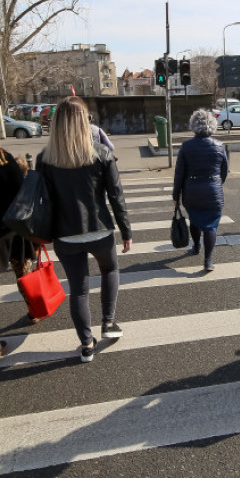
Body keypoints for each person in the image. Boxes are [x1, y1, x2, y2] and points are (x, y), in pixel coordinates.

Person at [37, 96, 132, 363]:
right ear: (84, 122)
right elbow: (116, 196)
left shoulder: (45, 159)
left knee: (78, 289)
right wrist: (126, 231)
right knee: (110, 270)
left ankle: (86, 344)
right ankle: (109, 324)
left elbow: (42, 202)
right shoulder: (101, 153)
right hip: (100, 230)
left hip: (65, 235)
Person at [173, 109, 228, 272]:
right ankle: (208, 261)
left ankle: (196, 246)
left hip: (192, 192)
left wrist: (176, 194)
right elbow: (224, 171)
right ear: (212, 125)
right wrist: (217, 184)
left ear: (193, 125)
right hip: (213, 192)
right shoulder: (220, 146)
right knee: (211, 227)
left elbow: (179, 174)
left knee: (195, 220)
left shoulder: (186, 146)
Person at [0, 147, 37, 326]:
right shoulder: (5, 157)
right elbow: (22, 194)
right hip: (13, 227)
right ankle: (33, 310)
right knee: (23, 272)